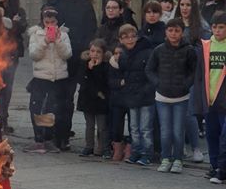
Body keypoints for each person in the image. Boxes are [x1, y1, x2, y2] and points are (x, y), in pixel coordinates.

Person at [43, 0, 97, 137]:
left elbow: (91, 27)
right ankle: (45, 132)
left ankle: (63, 133)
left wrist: (85, 49)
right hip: (53, 55)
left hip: (75, 55)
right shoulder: (54, 0)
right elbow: (44, 21)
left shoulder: (84, 3)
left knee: (67, 97)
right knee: (49, 97)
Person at [146, 18, 197, 175]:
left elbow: (193, 71)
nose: (173, 34)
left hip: (181, 98)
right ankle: (165, 158)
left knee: (177, 131)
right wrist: (157, 83)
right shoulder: (159, 50)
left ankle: (178, 159)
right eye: (170, 30)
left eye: (177, 31)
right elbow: (149, 69)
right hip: (162, 97)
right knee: (165, 130)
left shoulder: (189, 50)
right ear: (166, 32)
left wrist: (185, 85)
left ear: (182, 33)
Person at [25, 5, 72, 153]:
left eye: (53, 22)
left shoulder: (63, 35)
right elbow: (34, 55)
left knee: (52, 110)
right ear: (43, 21)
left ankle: (48, 139)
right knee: (37, 108)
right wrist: (45, 41)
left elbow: (67, 55)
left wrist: (57, 41)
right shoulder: (36, 34)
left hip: (57, 78)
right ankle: (39, 139)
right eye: (47, 22)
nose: (50, 25)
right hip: (41, 77)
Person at [175, 0, 210, 163]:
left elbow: (205, 50)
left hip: (192, 74)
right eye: (182, 4)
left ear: (193, 7)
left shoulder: (202, 26)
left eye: (188, 5)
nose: (184, 8)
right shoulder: (174, 24)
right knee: (177, 112)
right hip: (173, 74)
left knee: (189, 112)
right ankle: (179, 146)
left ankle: (196, 148)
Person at [115, 24, 155, 166]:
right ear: (121, 40)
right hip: (131, 95)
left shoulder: (147, 51)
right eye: (126, 37)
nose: (130, 40)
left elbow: (151, 74)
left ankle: (147, 153)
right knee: (133, 127)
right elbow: (121, 73)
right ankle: (136, 151)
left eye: (133, 36)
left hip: (145, 96)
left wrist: (146, 90)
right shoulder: (123, 54)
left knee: (145, 127)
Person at [193, 11, 226, 183]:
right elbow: (200, 74)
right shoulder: (205, 46)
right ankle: (214, 167)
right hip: (210, 98)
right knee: (212, 135)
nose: (217, 31)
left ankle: (222, 169)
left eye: (221, 27)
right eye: (214, 27)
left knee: (224, 137)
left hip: (224, 100)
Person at [0, 0, 27, 134]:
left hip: (10, 53)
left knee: (6, 88)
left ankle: (4, 118)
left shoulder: (18, 10)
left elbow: (20, 27)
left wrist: (8, 21)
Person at [77, 38, 109, 157]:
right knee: (89, 125)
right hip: (87, 99)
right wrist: (89, 69)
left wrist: (96, 68)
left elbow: (103, 82)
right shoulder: (84, 64)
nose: (95, 54)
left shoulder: (105, 66)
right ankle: (89, 146)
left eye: (98, 52)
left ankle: (102, 148)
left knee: (102, 127)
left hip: (101, 100)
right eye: (92, 51)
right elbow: (82, 80)